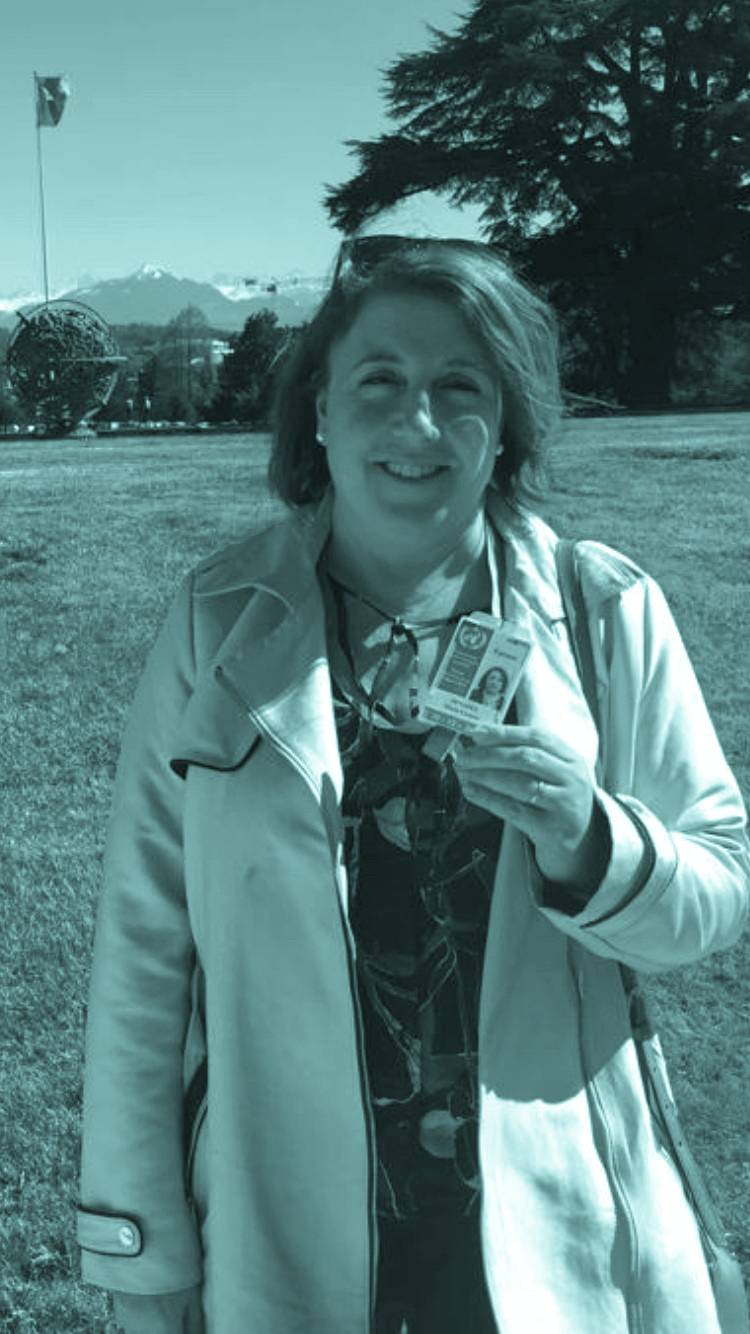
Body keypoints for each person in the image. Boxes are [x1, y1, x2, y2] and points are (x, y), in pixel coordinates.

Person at [77, 234, 750, 1334]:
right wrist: (137, 1234)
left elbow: (719, 888)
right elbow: (144, 948)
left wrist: (593, 842)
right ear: (321, 413)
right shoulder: (217, 624)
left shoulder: (603, 611)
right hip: (284, 1220)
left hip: (560, 1228)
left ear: (507, 419)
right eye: (379, 381)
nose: (418, 422)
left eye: (460, 386)